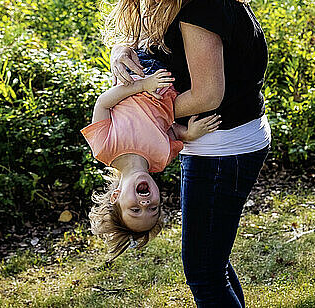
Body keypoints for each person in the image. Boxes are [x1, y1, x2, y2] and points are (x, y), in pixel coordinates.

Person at [106, 0, 271, 307]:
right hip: (213, 143)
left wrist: (143, 108)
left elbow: (207, 96)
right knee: (212, 263)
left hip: (224, 146)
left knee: (202, 273)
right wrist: (121, 51)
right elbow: (156, 47)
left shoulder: (200, 7)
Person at [81, 49, 221, 261]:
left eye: (135, 209)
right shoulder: (161, 158)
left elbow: (103, 103)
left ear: (116, 197)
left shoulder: (104, 148)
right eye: (153, 208)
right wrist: (189, 134)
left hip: (140, 72)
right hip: (171, 85)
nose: (145, 204)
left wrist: (143, 85)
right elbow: (171, 130)